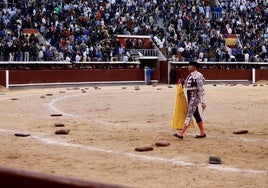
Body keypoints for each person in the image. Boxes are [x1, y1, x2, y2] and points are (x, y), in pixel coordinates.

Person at [173, 61, 207, 140]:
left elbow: (201, 89)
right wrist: (182, 82)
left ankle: (181, 133)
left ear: (194, 67)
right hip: (190, 97)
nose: (188, 67)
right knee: (196, 115)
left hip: (194, 98)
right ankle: (203, 132)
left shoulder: (198, 76)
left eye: (190, 65)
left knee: (189, 114)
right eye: (188, 65)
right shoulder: (191, 75)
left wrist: (202, 102)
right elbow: (188, 86)